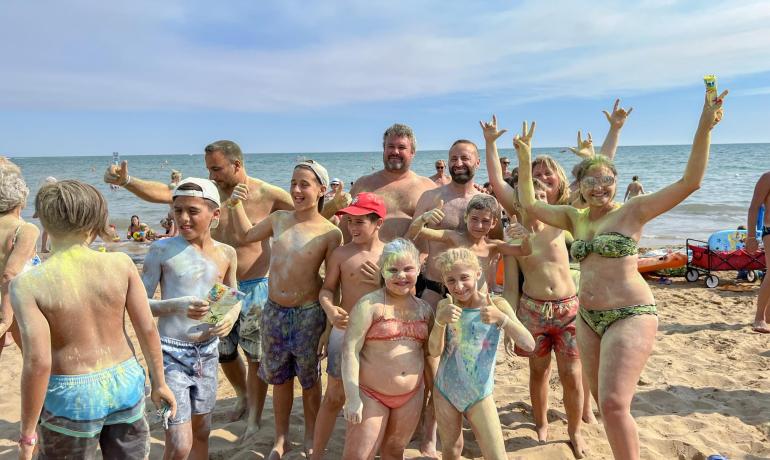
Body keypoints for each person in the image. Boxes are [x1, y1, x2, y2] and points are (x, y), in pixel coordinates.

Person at [514, 87, 727, 459]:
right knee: (602, 403)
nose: (599, 187)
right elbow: (529, 203)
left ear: (616, 180)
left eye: (606, 180)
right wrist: (525, 156)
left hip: (631, 313)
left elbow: (690, 182)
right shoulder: (573, 217)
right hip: (587, 318)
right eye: (590, 181)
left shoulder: (634, 211)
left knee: (613, 405)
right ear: (580, 186)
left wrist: (704, 127)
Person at [104, 140, 293, 435]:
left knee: (255, 354)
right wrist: (127, 181)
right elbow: (165, 194)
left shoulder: (267, 193)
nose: (212, 175)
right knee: (225, 351)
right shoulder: (210, 192)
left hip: (254, 283)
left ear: (237, 165)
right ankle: (242, 395)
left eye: (216, 168)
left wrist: (333, 205)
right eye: (209, 169)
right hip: (216, 288)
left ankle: (255, 414)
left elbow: (308, 213)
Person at [11, 180, 176, 459]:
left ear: (44, 224)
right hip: (126, 379)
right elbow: (147, 327)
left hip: (71, 394)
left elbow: (38, 363)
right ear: (97, 220)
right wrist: (159, 382)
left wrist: (28, 434)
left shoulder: (28, 284)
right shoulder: (120, 264)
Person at [484, 116, 596, 432]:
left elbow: (591, 188)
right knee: (538, 371)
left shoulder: (562, 218)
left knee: (573, 373)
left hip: (568, 308)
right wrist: (491, 143)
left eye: (548, 180)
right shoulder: (517, 223)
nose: (541, 185)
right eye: (534, 180)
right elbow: (497, 182)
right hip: (533, 309)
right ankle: (542, 422)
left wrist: (588, 157)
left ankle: (574, 430)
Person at [229, 160, 342, 459]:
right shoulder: (279, 219)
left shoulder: (331, 233)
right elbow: (246, 235)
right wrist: (235, 205)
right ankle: (280, 438)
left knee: (309, 381)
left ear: (321, 190)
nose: (296, 189)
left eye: (304, 184)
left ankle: (309, 435)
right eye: (293, 183)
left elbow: (333, 284)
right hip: (274, 312)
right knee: (279, 379)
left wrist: (328, 329)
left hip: (309, 315)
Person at [143, 177, 241, 459]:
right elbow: (140, 305)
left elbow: (229, 296)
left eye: (193, 211)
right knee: (179, 440)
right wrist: (176, 306)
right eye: (178, 210)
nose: (184, 218)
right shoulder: (162, 250)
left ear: (215, 214)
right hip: (170, 353)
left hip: (207, 353)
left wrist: (229, 317)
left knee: (202, 430)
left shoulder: (226, 253)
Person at [410, 138, 484, 456]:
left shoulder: (484, 201)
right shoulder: (431, 196)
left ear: (477, 162)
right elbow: (410, 236)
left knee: (467, 363)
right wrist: (423, 222)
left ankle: (456, 424)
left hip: (469, 297)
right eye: (453, 157)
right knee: (431, 363)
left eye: (465, 158)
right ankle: (429, 431)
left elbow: (492, 248)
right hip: (432, 289)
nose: (458, 163)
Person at [429, 248, 534, 460]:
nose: (458, 286)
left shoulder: (497, 304)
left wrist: (501, 319)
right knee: (451, 449)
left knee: (496, 455)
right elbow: (434, 351)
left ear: (478, 273)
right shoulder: (444, 305)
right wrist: (440, 321)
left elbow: (529, 344)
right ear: (443, 281)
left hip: (479, 393)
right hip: (445, 389)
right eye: (451, 280)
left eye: (464, 278)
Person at [341, 238, 433, 460]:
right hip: (371, 395)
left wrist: (434, 395)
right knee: (359, 455)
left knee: (394, 451)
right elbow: (350, 351)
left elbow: (429, 354)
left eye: (408, 269)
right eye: (393, 269)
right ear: (382, 271)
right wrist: (353, 397)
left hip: (411, 396)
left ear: (419, 269)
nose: (401, 276)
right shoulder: (370, 305)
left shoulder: (425, 310)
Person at [311, 192, 386, 459]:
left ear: (378, 223)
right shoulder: (342, 254)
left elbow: (404, 295)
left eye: (360, 222)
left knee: (377, 395)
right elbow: (327, 290)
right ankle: (317, 453)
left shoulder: (390, 254)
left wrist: (383, 282)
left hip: (380, 334)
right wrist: (330, 312)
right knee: (334, 394)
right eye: (350, 221)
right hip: (345, 329)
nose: (352, 227)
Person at [323, 124, 436, 242]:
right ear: (384, 149)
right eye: (390, 146)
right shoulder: (363, 184)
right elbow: (345, 231)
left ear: (412, 152)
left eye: (401, 147)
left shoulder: (427, 187)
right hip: (366, 258)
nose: (395, 151)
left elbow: (439, 232)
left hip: (411, 258)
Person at [408, 194, 532, 291]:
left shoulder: (493, 246)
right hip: (457, 303)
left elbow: (524, 250)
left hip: (481, 305)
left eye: (485, 221)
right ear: (466, 217)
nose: (479, 225)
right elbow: (416, 232)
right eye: (474, 219)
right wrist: (423, 218)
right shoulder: (453, 237)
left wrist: (525, 237)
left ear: (494, 223)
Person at [0, 160, 39, 359]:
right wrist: (5, 318)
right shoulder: (25, 229)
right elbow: (10, 273)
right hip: (14, 300)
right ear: (21, 199)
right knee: (33, 355)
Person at [746, 172, 770, 333]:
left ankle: (768, 315)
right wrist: (751, 237)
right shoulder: (767, 178)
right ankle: (759, 318)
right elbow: (754, 208)